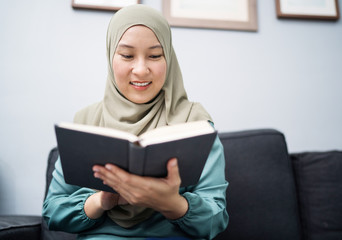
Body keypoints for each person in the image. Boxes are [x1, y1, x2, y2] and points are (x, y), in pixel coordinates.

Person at [42, 4, 228, 240]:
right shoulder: (87, 121)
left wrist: (172, 203)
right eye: (127, 55)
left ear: (168, 58)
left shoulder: (195, 123)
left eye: (154, 55)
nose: (141, 70)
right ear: (111, 56)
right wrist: (104, 199)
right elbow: (52, 212)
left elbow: (216, 219)